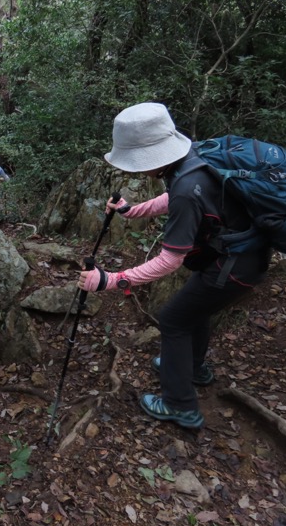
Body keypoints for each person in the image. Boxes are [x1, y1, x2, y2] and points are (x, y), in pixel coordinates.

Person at [77, 102, 271, 429]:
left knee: (173, 320)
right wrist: (131, 210)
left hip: (234, 268)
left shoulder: (184, 187)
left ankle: (180, 405)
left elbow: (170, 259)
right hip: (246, 256)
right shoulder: (195, 158)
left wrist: (110, 280)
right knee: (194, 311)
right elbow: (177, 198)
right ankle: (192, 368)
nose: (135, 170)